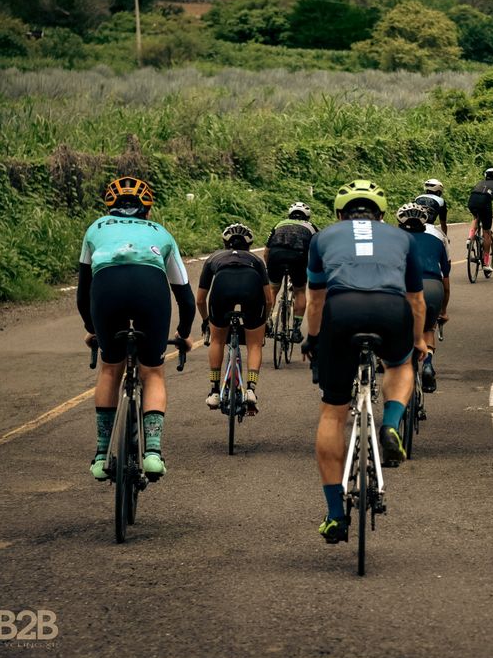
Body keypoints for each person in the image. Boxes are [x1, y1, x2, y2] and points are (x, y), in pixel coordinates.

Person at [300, 180, 426, 544]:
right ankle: (389, 424)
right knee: (401, 365)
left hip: (342, 310)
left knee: (332, 411)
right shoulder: (402, 238)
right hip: (391, 308)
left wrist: (314, 339)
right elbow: (416, 301)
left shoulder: (322, 237)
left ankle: (335, 515)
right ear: (382, 215)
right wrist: (417, 341)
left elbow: (315, 301)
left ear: (340, 214)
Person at [77, 176, 195, 482]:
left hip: (106, 295)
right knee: (152, 371)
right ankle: (153, 453)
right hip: (150, 293)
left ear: (110, 207)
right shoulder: (161, 233)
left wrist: (92, 329)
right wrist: (182, 334)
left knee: (109, 368)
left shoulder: (96, 228)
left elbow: (83, 292)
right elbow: (184, 295)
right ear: (148, 209)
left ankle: (102, 455)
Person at [197, 223, 273, 414]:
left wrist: (207, 321)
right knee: (255, 344)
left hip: (222, 289)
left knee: (217, 340)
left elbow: (200, 299)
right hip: (252, 288)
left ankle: (214, 391)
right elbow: (268, 298)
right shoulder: (255, 260)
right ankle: (251, 390)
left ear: (224, 243)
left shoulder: (213, 258)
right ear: (249, 244)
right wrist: (265, 318)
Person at [396, 202, 450, 393]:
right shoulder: (437, 240)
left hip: (403, 286)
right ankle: (427, 364)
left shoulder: (394, 240)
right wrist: (443, 310)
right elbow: (445, 278)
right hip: (433, 287)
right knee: (428, 328)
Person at [264, 201, 318, 343]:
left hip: (276, 255)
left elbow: (267, 251)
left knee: (273, 289)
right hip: (298, 257)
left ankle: (267, 320)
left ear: (289, 215)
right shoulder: (312, 227)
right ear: (307, 216)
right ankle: (295, 329)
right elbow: (316, 252)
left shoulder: (279, 224)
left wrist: (268, 267)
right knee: (299, 291)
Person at [467, 167, 493, 278]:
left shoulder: (480, 183)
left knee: (476, 217)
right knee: (486, 232)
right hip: (485, 204)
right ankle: (486, 262)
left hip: (472, 202)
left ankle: (470, 238)